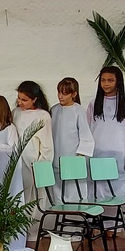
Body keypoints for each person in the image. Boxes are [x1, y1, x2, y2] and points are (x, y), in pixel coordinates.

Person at [87, 66, 125, 201]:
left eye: (110, 80)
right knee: (96, 192)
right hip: (97, 154)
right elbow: (88, 131)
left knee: (116, 194)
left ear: (118, 81)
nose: (106, 83)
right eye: (103, 80)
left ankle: (116, 216)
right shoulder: (93, 104)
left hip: (118, 155)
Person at [51, 77, 95, 202]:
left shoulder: (78, 110)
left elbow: (86, 136)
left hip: (73, 158)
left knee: (75, 191)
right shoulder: (54, 110)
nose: (60, 96)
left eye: (65, 93)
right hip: (56, 158)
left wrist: (79, 157)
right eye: (59, 92)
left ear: (74, 94)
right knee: (57, 192)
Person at [13, 81, 54, 210]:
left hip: (33, 162)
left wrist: (40, 167)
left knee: (34, 199)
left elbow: (47, 146)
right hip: (17, 161)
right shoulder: (15, 112)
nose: (20, 102)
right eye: (19, 98)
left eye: (24, 100)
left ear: (34, 99)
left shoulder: (43, 116)